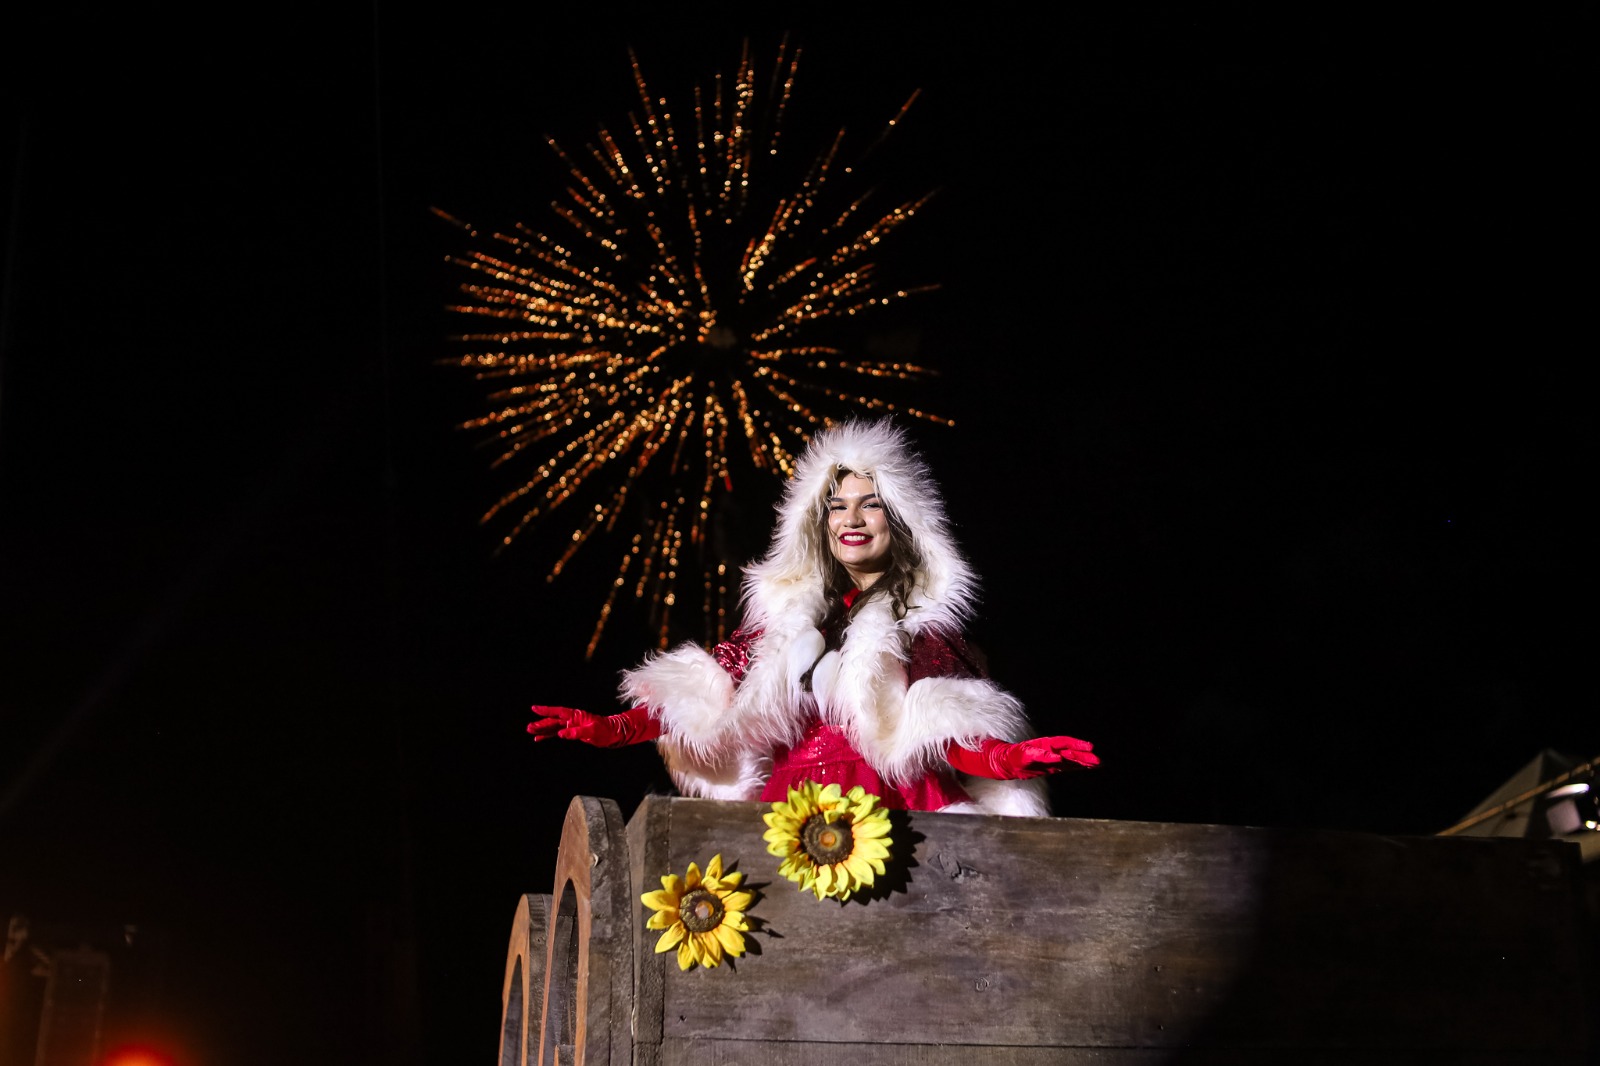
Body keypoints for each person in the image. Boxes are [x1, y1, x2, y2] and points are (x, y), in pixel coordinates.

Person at [528, 418, 1098, 816]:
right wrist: (614, 728)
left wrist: (1008, 756)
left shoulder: (921, 627)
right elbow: (706, 695)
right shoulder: (783, 623)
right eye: (837, 506)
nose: (852, 518)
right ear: (819, 523)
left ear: (899, 520)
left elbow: (944, 735)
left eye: (871, 504)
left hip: (896, 808)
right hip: (790, 809)